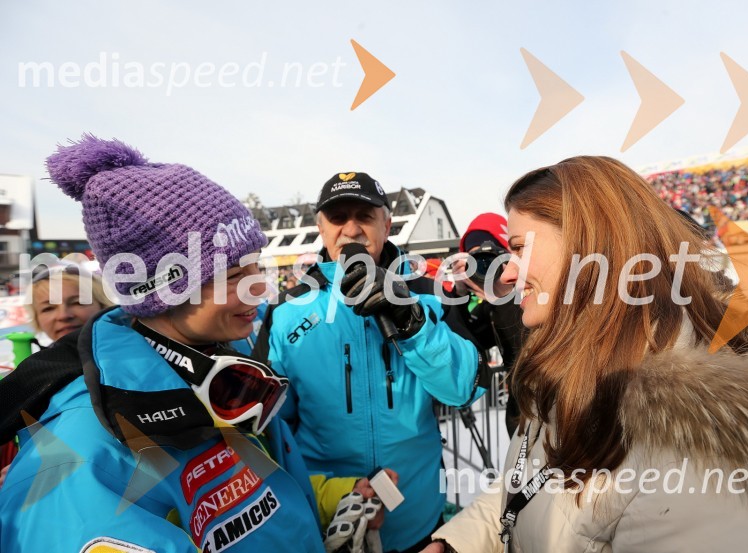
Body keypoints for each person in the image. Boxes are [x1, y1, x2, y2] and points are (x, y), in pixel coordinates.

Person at [424, 156, 748, 552]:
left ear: (592, 248)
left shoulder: (700, 450)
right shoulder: (570, 369)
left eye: (518, 249)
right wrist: (454, 543)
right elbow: (522, 487)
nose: (507, 273)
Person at [0, 135, 354, 552]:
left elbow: (266, 499)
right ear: (165, 287)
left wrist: (336, 499)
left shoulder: (218, 368)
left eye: (256, 268)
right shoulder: (81, 455)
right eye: (236, 276)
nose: (259, 290)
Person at [255, 172, 486, 552]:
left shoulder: (428, 294)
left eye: (364, 215)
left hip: (419, 524)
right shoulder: (287, 311)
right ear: (321, 227)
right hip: (331, 524)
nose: (351, 228)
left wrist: (410, 321)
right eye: (338, 217)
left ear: (386, 224)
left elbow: (465, 389)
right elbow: (269, 430)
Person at [0, 265, 113, 489]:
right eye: (48, 308)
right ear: (37, 319)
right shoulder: (36, 370)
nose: (63, 315)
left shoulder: (126, 359)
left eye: (78, 302)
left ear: (102, 305)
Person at [450, 213, 525, 436]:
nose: (486, 267)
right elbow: (466, 342)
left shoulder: (538, 296)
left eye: (491, 258)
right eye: (476, 261)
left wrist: (504, 295)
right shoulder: (490, 304)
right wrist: (460, 295)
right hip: (519, 417)